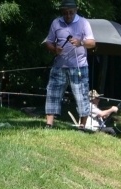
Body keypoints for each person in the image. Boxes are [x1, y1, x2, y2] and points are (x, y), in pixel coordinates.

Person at [43, 0, 95, 129]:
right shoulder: (56, 23)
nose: (68, 15)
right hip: (59, 66)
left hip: (79, 66)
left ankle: (82, 127)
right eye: (65, 13)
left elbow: (92, 43)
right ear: (62, 12)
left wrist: (80, 42)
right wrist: (54, 49)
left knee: (81, 95)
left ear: (76, 11)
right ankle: (49, 124)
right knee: (53, 93)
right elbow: (48, 42)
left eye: (71, 12)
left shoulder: (83, 23)